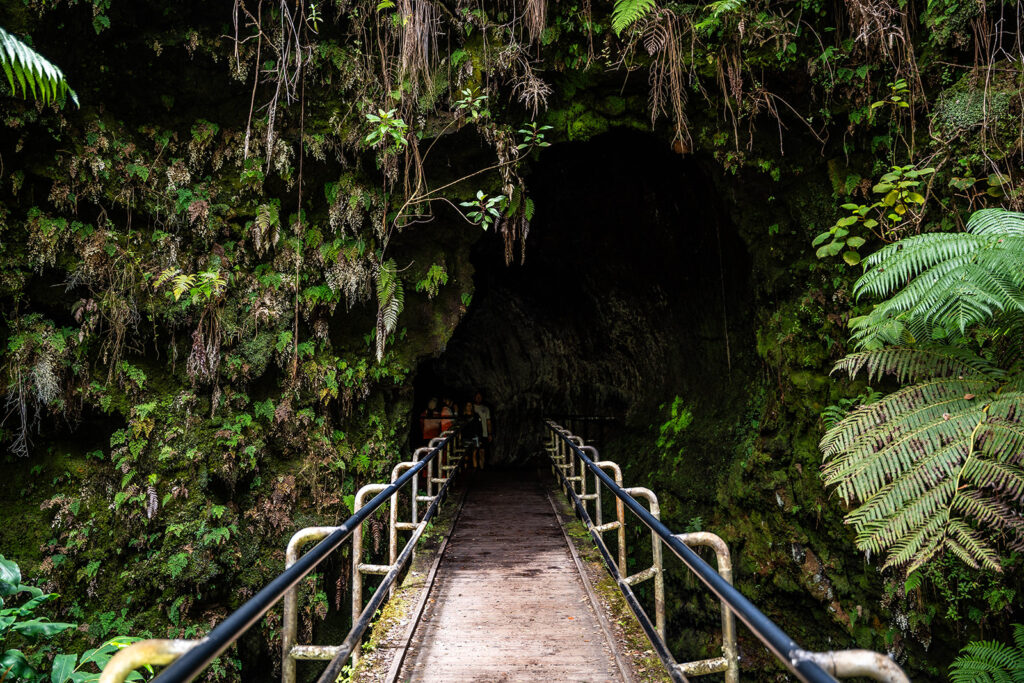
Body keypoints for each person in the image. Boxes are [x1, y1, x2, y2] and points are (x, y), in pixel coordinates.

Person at [472, 391, 493, 466]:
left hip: (484, 433)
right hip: (475, 433)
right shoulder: (472, 407)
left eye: (480, 397)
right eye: (477, 397)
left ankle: (482, 468)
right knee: (474, 451)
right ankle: (475, 469)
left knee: (482, 452)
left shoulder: (486, 409)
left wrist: (490, 433)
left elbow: (488, 422)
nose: (478, 398)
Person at [462, 401, 484, 469]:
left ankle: (475, 472)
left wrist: (480, 438)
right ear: (465, 407)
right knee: (466, 455)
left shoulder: (476, 416)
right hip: (466, 438)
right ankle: (465, 471)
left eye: (470, 405)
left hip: (475, 437)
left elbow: (480, 427)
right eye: (468, 405)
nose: (469, 407)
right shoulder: (463, 417)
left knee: (474, 454)